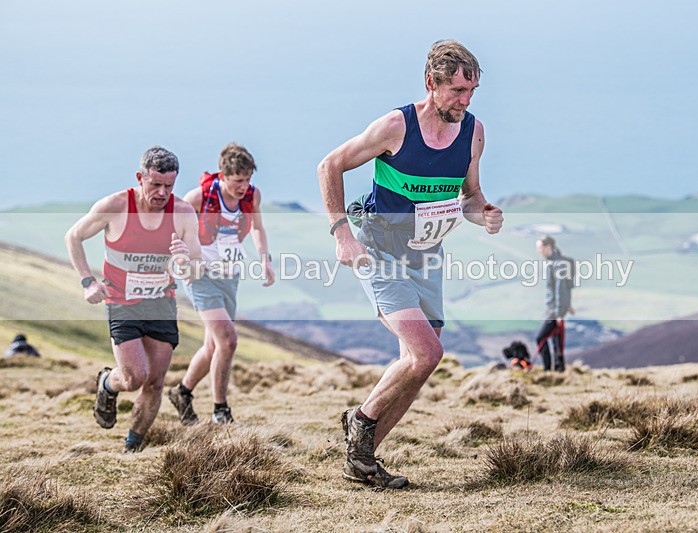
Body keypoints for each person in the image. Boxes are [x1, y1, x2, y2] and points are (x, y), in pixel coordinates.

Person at [317, 39, 503, 488]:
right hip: (380, 249)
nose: (466, 101)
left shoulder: (473, 132)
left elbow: (470, 196)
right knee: (427, 352)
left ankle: (363, 462)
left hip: (426, 257)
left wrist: (486, 215)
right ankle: (359, 425)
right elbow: (330, 165)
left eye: (472, 91)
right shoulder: (395, 127)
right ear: (431, 84)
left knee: (418, 365)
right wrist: (341, 233)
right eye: (458, 91)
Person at [64, 146, 201, 452]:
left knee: (155, 382)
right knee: (134, 378)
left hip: (161, 303)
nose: (162, 193)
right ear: (140, 178)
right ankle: (107, 384)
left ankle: (132, 447)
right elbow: (73, 236)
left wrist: (184, 261)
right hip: (121, 301)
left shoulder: (182, 213)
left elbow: (195, 264)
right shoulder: (116, 206)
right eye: (155, 185)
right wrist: (88, 281)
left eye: (169, 186)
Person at [167, 143, 275, 425]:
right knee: (228, 340)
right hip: (200, 276)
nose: (244, 186)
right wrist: (184, 261)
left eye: (248, 179)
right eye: (238, 180)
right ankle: (220, 409)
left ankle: (182, 392)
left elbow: (257, 227)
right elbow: (172, 227)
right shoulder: (200, 197)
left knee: (214, 347)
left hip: (230, 275)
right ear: (223, 176)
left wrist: (265, 259)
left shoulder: (252, 196)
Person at [534, 236, 574, 372]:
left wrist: (558, 313)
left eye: (540, 247)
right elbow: (565, 288)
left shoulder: (557, 264)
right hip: (556, 309)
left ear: (548, 247)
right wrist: (567, 305)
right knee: (556, 340)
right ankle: (559, 370)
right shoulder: (556, 263)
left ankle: (547, 369)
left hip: (554, 310)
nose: (538, 250)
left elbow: (560, 289)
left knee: (540, 338)